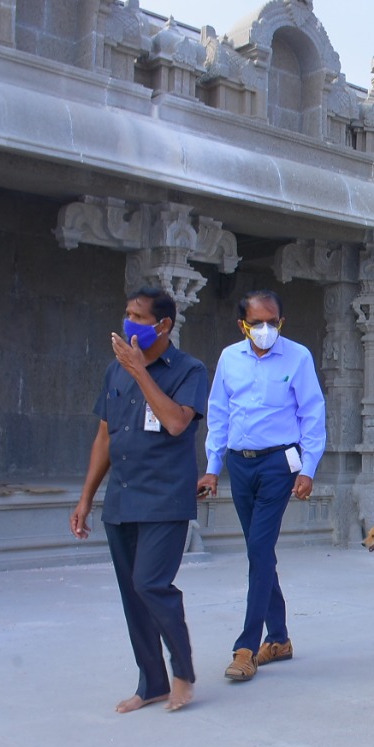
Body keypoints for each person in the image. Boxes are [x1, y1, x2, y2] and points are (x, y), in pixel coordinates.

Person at [70, 286, 208, 714]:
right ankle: (152, 683)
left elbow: (175, 423)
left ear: (163, 325)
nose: (129, 323)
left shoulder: (189, 369)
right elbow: (104, 437)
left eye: (139, 317)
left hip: (165, 498)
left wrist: (140, 371)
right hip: (122, 500)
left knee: (152, 584)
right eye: (126, 313)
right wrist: (86, 497)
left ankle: (182, 672)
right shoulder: (115, 371)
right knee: (133, 594)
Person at [197, 290, 326, 682]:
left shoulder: (298, 357)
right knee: (260, 551)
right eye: (258, 323)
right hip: (240, 463)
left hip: (278, 464)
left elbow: (312, 413)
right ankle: (281, 638)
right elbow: (218, 413)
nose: (266, 329)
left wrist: (308, 468)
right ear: (243, 325)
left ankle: (247, 646)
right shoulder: (229, 358)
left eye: (273, 322)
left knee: (257, 549)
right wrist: (212, 466)